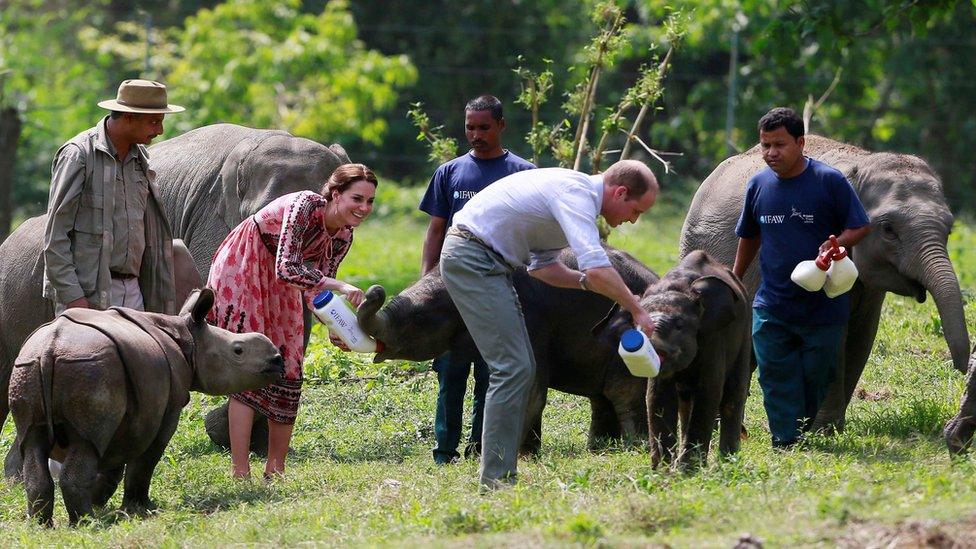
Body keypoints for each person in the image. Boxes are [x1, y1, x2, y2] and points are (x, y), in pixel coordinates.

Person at [439, 159, 658, 490]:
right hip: (474, 258)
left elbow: (543, 269)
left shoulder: (569, 198)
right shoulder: (577, 195)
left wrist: (585, 283)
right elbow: (597, 266)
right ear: (620, 192)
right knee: (512, 368)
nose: (632, 219)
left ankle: (499, 473)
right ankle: (496, 481)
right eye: (635, 210)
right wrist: (636, 308)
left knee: (520, 367)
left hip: (491, 263)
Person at [206, 164, 378, 479]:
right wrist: (340, 286)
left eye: (369, 202)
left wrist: (336, 327)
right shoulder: (306, 204)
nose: (364, 208)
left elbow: (318, 291)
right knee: (249, 363)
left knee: (289, 366)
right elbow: (288, 266)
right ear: (336, 194)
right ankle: (240, 471)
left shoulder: (343, 236)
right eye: (357, 199)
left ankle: (276, 469)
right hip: (246, 263)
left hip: (282, 279)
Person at [732, 107, 870, 448]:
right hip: (772, 303)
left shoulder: (829, 181)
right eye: (765, 145)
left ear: (801, 143)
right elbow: (749, 236)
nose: (770, 153)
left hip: (824, 306)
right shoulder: (758, 185)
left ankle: (799, 425)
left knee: (817, 375)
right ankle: (785, 439)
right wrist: (735, 277)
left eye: (779, 145)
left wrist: (839, 242)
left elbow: (860, 225)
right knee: (775, 376)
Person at [419, 94, 535, 465]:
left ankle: (482, 447)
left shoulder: (522, 172)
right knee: (450, 373)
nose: (476, 134)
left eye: (484, 127)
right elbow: (436, 229)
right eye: (470, 127)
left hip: (502, 284)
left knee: (493, 372)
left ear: (501, 126)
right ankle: (444, 452)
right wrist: (426, 282)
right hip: (451, 289)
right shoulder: (449, 173)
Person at [43, 79, 185, 316]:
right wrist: (74, 298)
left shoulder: (141, 162)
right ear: (128, 117)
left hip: (134, 292)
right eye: (154, 122)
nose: (159, 131)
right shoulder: (78, 156)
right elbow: (55, 235)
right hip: (89, 295)